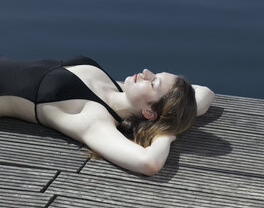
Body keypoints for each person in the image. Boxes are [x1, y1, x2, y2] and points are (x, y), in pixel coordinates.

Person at [0, 55, 214, 176]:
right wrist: (181, 112)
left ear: (149, 112)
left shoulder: (93, 118)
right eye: (155, 74)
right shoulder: (115, 88)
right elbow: (205, 92)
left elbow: (148, 162)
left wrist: (166, 133)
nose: (147, 72)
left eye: (153, 82)